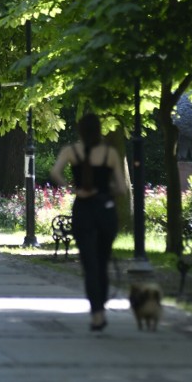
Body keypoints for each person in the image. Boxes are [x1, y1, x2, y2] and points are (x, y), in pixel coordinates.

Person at [50, 113, 126, 331]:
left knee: (89, 264)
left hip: (83, 210)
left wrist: (72, 188)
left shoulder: (70, 151)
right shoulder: (109, 154)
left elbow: (55, 172)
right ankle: (101, 308)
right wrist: (106, 191)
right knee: (102, 262)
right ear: (99, 129)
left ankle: (96, 314)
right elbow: (122, 187)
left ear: (80, 131)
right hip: (105, 210)